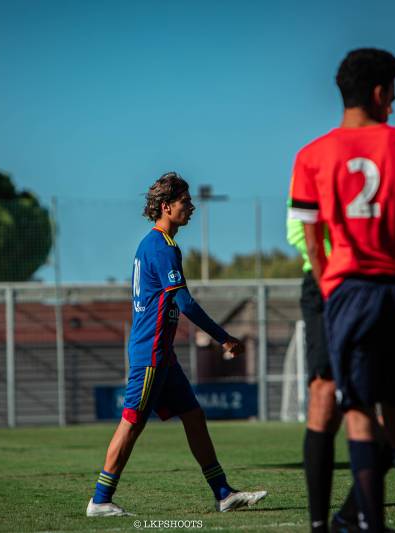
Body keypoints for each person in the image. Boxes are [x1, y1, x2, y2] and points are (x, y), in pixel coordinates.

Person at [292, 48, 395, 532]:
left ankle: (363, 521)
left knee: (356, 412)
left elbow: (311, 237)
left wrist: (332, 284)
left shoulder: (310, 155)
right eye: (393, 91)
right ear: (379, 91)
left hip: (345, 291)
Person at [86, 173, 267, 517]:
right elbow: (184, 304)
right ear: (166, 207)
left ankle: (223, 493)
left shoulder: (149, 244)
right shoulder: (162, 247)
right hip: (151, 353)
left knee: (194, 416)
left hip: (161, 355)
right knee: (132, 422)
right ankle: (100, 499)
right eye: (185, 201)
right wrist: (224, 337)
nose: (192, 207)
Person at [286, 219, 395, 532]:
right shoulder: (311, 168)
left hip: (377, 283)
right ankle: (319, 525)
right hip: (327, 282)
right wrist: (332, 271)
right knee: (325, 397)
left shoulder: (391, 167)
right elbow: (298, 229)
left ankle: (350, 515)